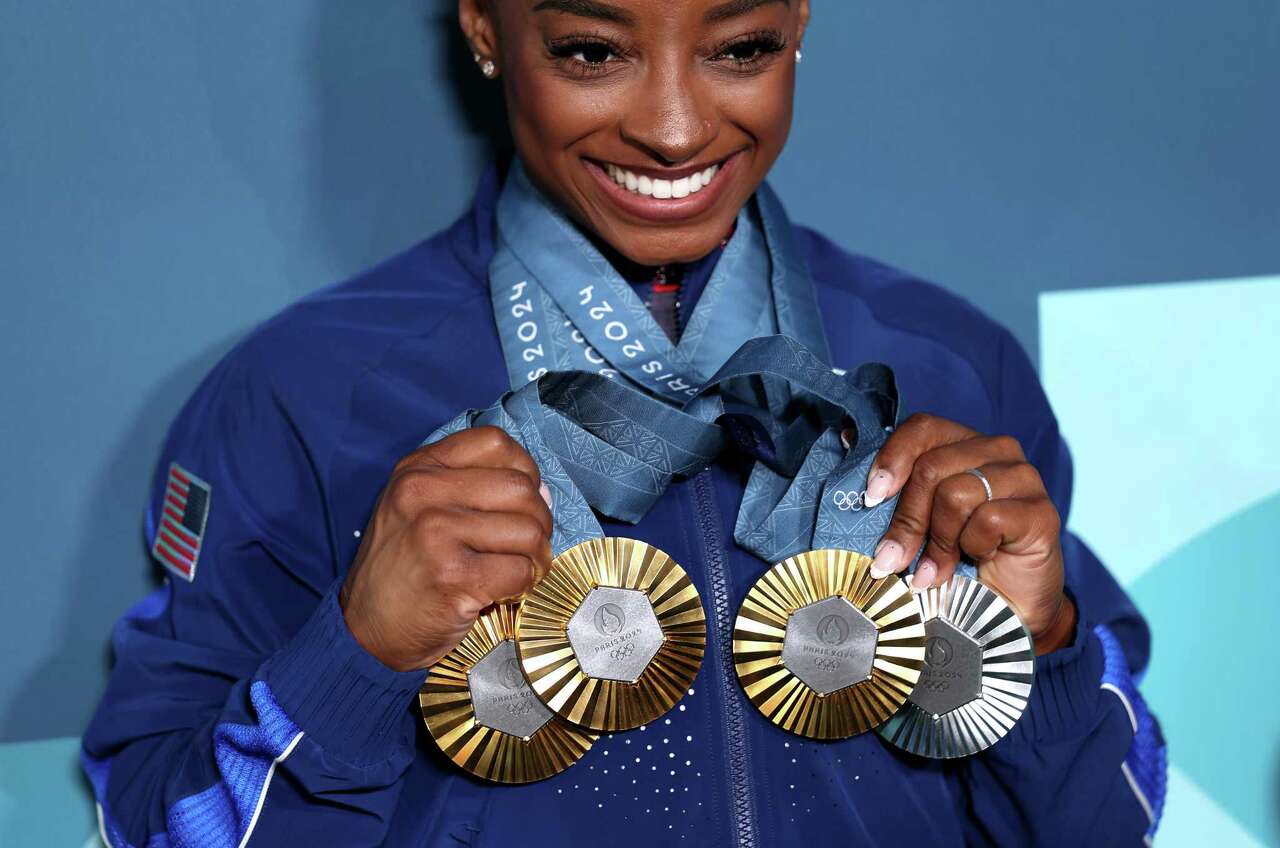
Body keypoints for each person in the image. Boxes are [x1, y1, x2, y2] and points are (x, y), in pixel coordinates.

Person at [81, 1, 1165, 845]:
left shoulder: (945, 361)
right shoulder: (305, 391)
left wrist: (1046, 649)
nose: (673, 127)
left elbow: (1113, 817)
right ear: (482, 30)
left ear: (797, 23)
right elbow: (149, 813)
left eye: (738, 46)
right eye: (592, 52)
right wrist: (353, 658)